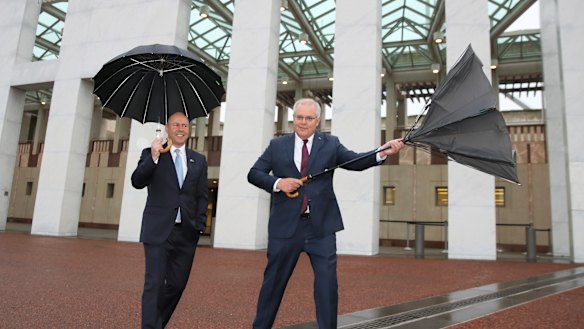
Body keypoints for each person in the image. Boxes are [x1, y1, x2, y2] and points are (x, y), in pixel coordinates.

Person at [248, 98, 405, 328]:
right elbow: (254, 173)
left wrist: (382, 152)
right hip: (285, 229)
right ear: (294, 118)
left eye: (309, 118)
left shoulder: (330, 144)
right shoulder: (277, 145)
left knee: (327, 287)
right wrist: (278, 182)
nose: (303, 122)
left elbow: (355, 161)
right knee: (272, 286)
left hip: (321, 229)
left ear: (318, 121)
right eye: (299, 117)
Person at [131, 111, 208, 329]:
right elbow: (137, 181)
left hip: (186, 233)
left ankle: (157, 324)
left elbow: (202, 195)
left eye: (184, 125)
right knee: (154, 285)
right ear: (167, 128)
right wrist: (154, 157)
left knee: (176, 285)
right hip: (158, 231)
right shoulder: (152, 153)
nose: (181, 129)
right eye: (176, 125)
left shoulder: (198, 160)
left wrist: (199, 226)